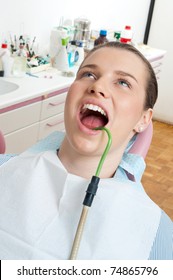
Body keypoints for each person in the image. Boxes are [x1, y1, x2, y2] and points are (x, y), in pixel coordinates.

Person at [0, 42, 172, 260]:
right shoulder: (4, 169)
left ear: (143, 119)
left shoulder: (159, 238)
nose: (98, 86)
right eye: (89, 74)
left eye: (123, 82)